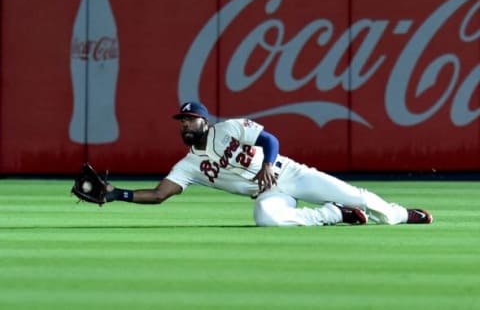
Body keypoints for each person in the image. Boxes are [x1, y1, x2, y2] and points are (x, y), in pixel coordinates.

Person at [104, 102, 433, 226]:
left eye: (190, 120)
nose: (185, 125)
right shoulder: (188, 166)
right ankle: (334, 214)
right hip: (268, 192)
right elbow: (161, 194)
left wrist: (268, 164)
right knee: (266, 219)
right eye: (181, 121)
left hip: (289, 172)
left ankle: (402, 215)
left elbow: (270, 141)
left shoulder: (229, 128)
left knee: (358, 195)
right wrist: (115, 193)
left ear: (204, 121)